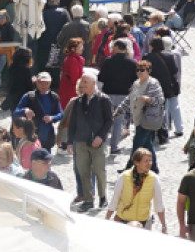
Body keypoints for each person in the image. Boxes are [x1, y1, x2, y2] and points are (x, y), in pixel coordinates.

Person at [62, 72, 112, 211]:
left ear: (93, 84)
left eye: (85, 82)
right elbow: (73, 123)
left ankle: (103, 197)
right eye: (82, 82)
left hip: (97, 143)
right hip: (81, 142)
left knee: (99, 171)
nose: (82, 84)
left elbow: (109, 121)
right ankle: (88, 200)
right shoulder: (78, 101)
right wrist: (70, 142)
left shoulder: (104, 100)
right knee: (83, 171)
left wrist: (101, 137)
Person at [111, 146, 159, 227]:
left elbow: (159, 204)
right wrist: (107, 219)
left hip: (143, 222)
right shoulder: (124, 176)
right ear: (137, 162)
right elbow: (115, 200)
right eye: (146, 161)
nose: (149, 163)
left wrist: (164, 226)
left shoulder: (154, 178)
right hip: (123, 221)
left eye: (150, 160)